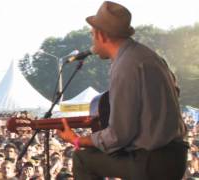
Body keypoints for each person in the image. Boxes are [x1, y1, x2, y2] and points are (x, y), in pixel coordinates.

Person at [57, 1, 188, 180]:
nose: (92, 40)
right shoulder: (149, 56)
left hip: (153, 162)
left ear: (101, 35)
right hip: (176, 156)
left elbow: (119, 136)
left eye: (91, 35)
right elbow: (175, 91)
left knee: (82, 159)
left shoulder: (125, 65)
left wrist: (77, 140)